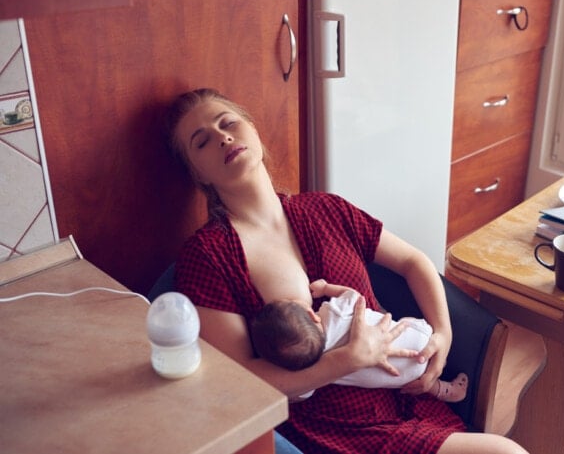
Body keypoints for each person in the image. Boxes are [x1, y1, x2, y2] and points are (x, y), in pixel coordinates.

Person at [167, 88, 529, 454]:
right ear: (198, 175)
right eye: (202, 142)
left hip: (407, 401)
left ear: (253, 130)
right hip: (331, 433)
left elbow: (413, 261)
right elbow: (241, 382)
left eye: (228, 123)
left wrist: (443, 335)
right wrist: (345, 361)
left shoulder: (326, 209)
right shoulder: (208, 256)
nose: (223, 137)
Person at [250, 279, 469, 402]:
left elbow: (298, 394)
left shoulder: (314, 371)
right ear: (311, 314)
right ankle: (439, 385)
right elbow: (355, 296)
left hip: (402, 381)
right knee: (399, 322)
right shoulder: (332, 313)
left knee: (402, 376)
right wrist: (326, 288)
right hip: (421, 340)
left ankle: (441, 389)